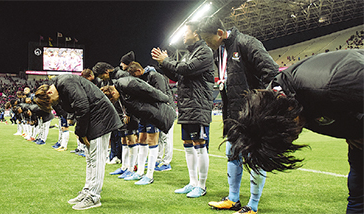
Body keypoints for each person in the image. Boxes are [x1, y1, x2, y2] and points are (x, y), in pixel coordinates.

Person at [223, 49, 363, 214]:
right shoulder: (276, 100)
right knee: (358, 193)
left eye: (289, 135)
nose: (293, 138)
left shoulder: (335, 84)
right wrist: (351, 129)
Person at [198, 16, 279, 213]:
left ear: (219, 33)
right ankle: (233, 199)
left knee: (254, 157)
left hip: (252, 113)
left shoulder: (246, 43)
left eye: (208, 41)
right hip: (233, 113)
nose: (208, 46)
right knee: (232, 153)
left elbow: (272, 72)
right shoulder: (221, 50)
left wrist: (260, 103)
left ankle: (253, 205)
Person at [34, 74, 122, 210]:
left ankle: (94, 197)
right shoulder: (61, 88)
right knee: (90, 158)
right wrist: (81, 132)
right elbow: (72, 109)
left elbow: (82, 106)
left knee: (97, 158)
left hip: (101, 118)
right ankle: (88, 190)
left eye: (51, 101)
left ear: (50, 92)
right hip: (94, 118)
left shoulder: (65, 82)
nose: (54, 104)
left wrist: (80, 132)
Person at [151, 21, 214, 198]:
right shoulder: (189, 53)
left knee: (200, 147)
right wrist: (163, 63)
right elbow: (178, 74)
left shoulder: (204, 51)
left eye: (186, 32)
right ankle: (192, 182)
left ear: (196, 33)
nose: (184, 35)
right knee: (188, 146)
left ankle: (201, 186)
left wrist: (167, 61)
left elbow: (188, 69)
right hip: (186, 106)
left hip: (198, 105)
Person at [125, 61, 174, 183]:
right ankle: (140, 172)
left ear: (138, 71)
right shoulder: (142, 78)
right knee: (141, 140)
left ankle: (150, 175)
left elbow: (160, 95)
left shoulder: (155, 76)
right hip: (144, 113)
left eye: (134, 75)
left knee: (153, 141)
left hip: (155, 112)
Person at [93, 62, 139, 177]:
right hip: (120, 112)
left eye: (101, 76)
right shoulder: (109, 79)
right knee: (124, 140)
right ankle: (125, 166)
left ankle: (133, 167)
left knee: (131, 139)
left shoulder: (122, 76)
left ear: (106, 72)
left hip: (129, 112)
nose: (101, 79)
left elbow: (129, 95)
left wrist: (128, 112)